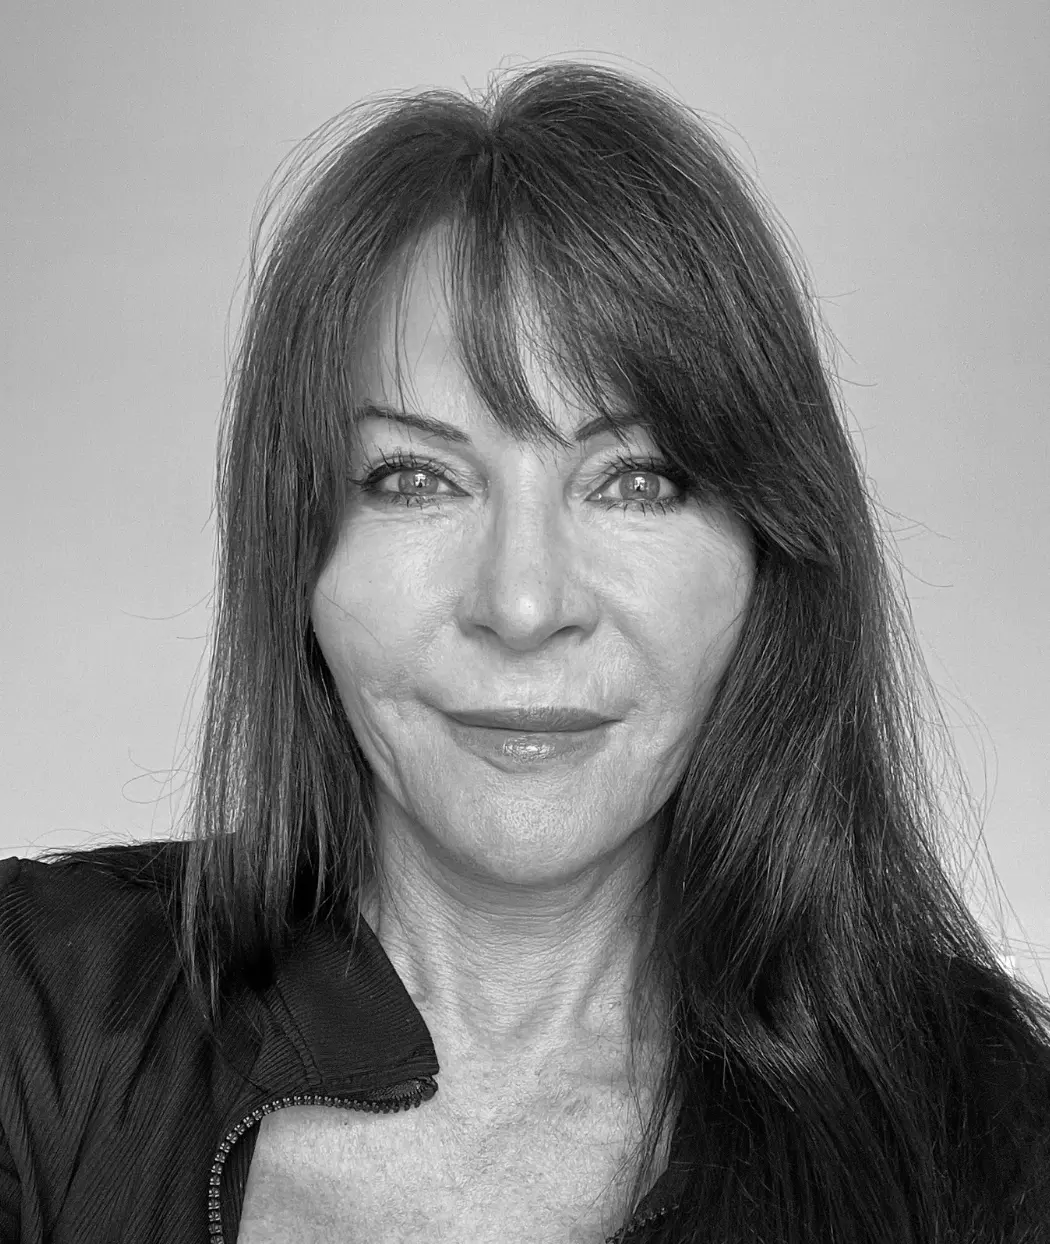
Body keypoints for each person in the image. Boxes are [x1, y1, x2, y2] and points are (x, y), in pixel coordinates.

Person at [2, 59, 1048, 1244]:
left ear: (769, 551)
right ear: (297, 556)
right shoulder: (34, 1013)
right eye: (416, 478)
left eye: (635, 480)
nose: (522, 599)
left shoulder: (988, 1131)